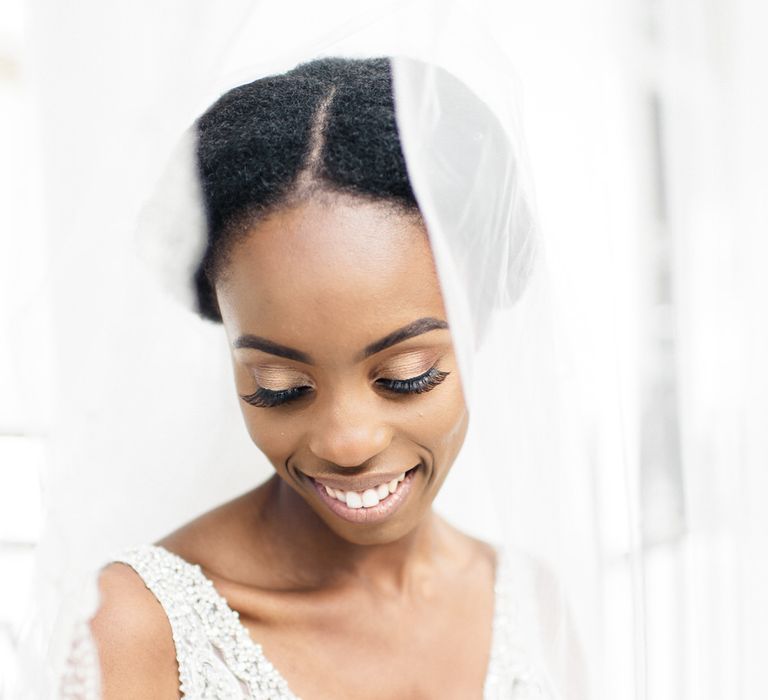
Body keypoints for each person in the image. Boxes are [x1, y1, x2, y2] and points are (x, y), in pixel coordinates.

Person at [88, 57, 564, 699]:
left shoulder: (532, 604)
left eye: (406, 375)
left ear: (478, 333)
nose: (345, 442)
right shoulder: (137, 629)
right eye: (279, 385)